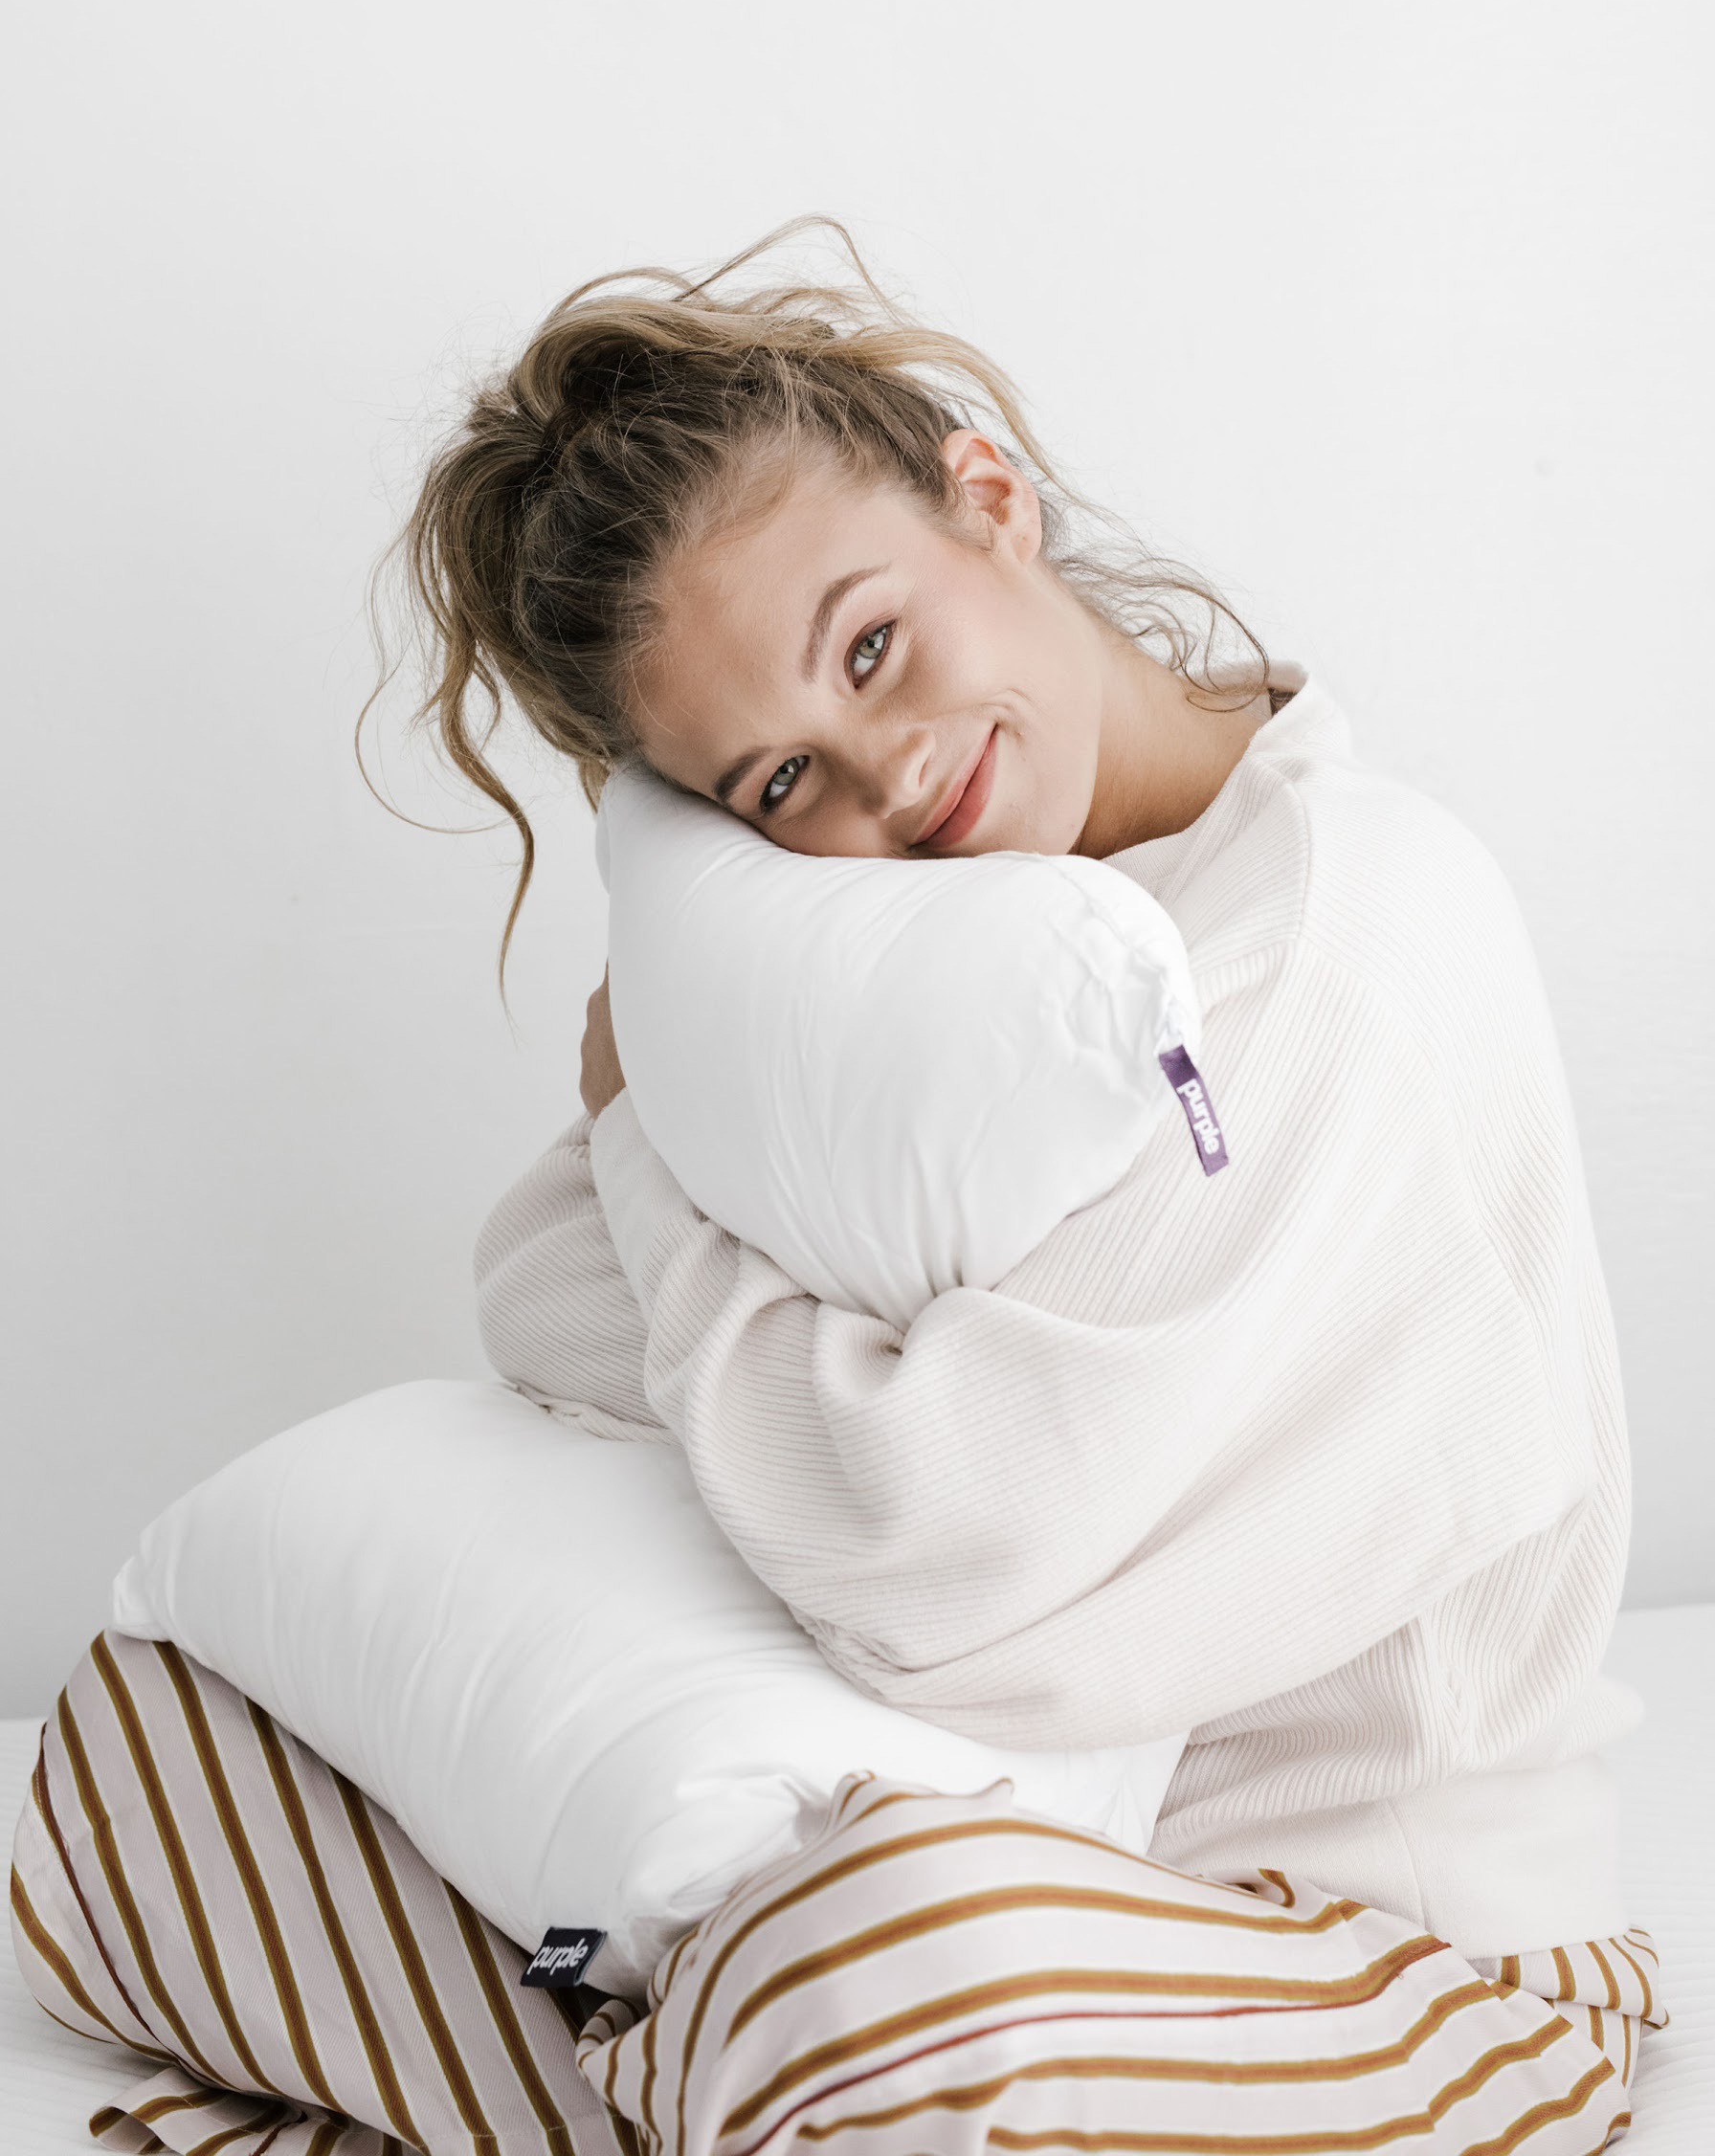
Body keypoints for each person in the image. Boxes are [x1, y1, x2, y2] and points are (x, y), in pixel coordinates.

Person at [362, 217, 1666, 2153]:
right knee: (185, 1745)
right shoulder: (937, 956)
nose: (884, 780)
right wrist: (799, 1336)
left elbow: (938, 1565)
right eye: (776, 785)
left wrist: (650, 1155)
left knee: (850, 1969)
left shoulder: (1328, 944)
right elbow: (536, 1295)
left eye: (869, 647)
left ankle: (660, 2056)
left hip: (1384, 1952)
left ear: (988, 498)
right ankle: (674, 2063)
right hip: (1007, 1874)